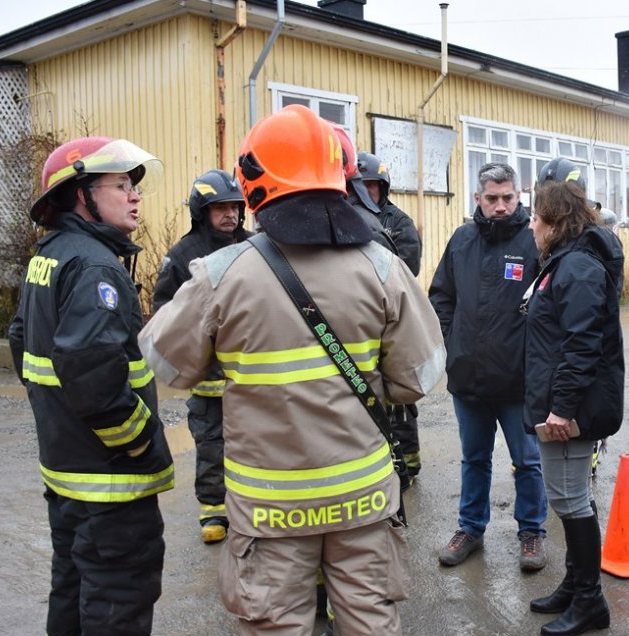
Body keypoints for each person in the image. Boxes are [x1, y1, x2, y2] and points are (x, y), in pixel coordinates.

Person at [139, 104, 444, 636]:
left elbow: (165, 364)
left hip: (271, 507)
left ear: (253, 181)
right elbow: (417, 377)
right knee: (371, 622)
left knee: (275, 625)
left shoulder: (220, 274)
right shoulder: (383, 266)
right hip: (364, 496)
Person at [7, 136, 175, 635]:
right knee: (118, 598)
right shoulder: (95, 265)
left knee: (73, 587)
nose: (135, 196)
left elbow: (21, 340)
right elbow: (89, 367)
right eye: (121, 185)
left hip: (67, 470)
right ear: (81, 194)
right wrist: (136, 438)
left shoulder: (51, 254)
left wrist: (57, 415)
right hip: (109, 482)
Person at [429, 162, 549, 571]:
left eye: (508, 198)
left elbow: (551, 302)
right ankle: (471, 529)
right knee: (474, 459)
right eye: (492, 198)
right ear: (477, 198)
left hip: (518, 380)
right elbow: (440, 296)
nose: (501, 206)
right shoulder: (461, 240)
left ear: (519, 197)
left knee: (528, 462)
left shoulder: (533, 241)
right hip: (469, 376)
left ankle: (531, 532)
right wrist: (452, 343)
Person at [523, 158, 624, 636]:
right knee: (570, 498)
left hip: (572, 410)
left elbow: (582, 345)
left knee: (570, 500)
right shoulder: (564, 262)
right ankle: (574, 584)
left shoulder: (578, 267)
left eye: (535, 217)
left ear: (555, 221)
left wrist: (561, 409)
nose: (530, 225)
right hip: (560, 403)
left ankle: (590, 602)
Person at [151, 168, 250, 544]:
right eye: (220, 208)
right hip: (209, 380)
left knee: (256, 441)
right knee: (211, 444)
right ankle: (214, 510)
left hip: (251, 375)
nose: (230, 214)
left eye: (234, 207)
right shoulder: (182, 256)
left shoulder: (255, 248)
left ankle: (251, 504)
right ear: (201, 211)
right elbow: (165, 313)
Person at [357, 151, 426, 481]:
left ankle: (409, 461)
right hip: (360, 319)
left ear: (382, 188)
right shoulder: (347, 218)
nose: (366, 191)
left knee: (399, 395)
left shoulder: (398, 222)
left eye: (372, 185)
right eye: (360, 185)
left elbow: (408, 266)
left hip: (391, 316)